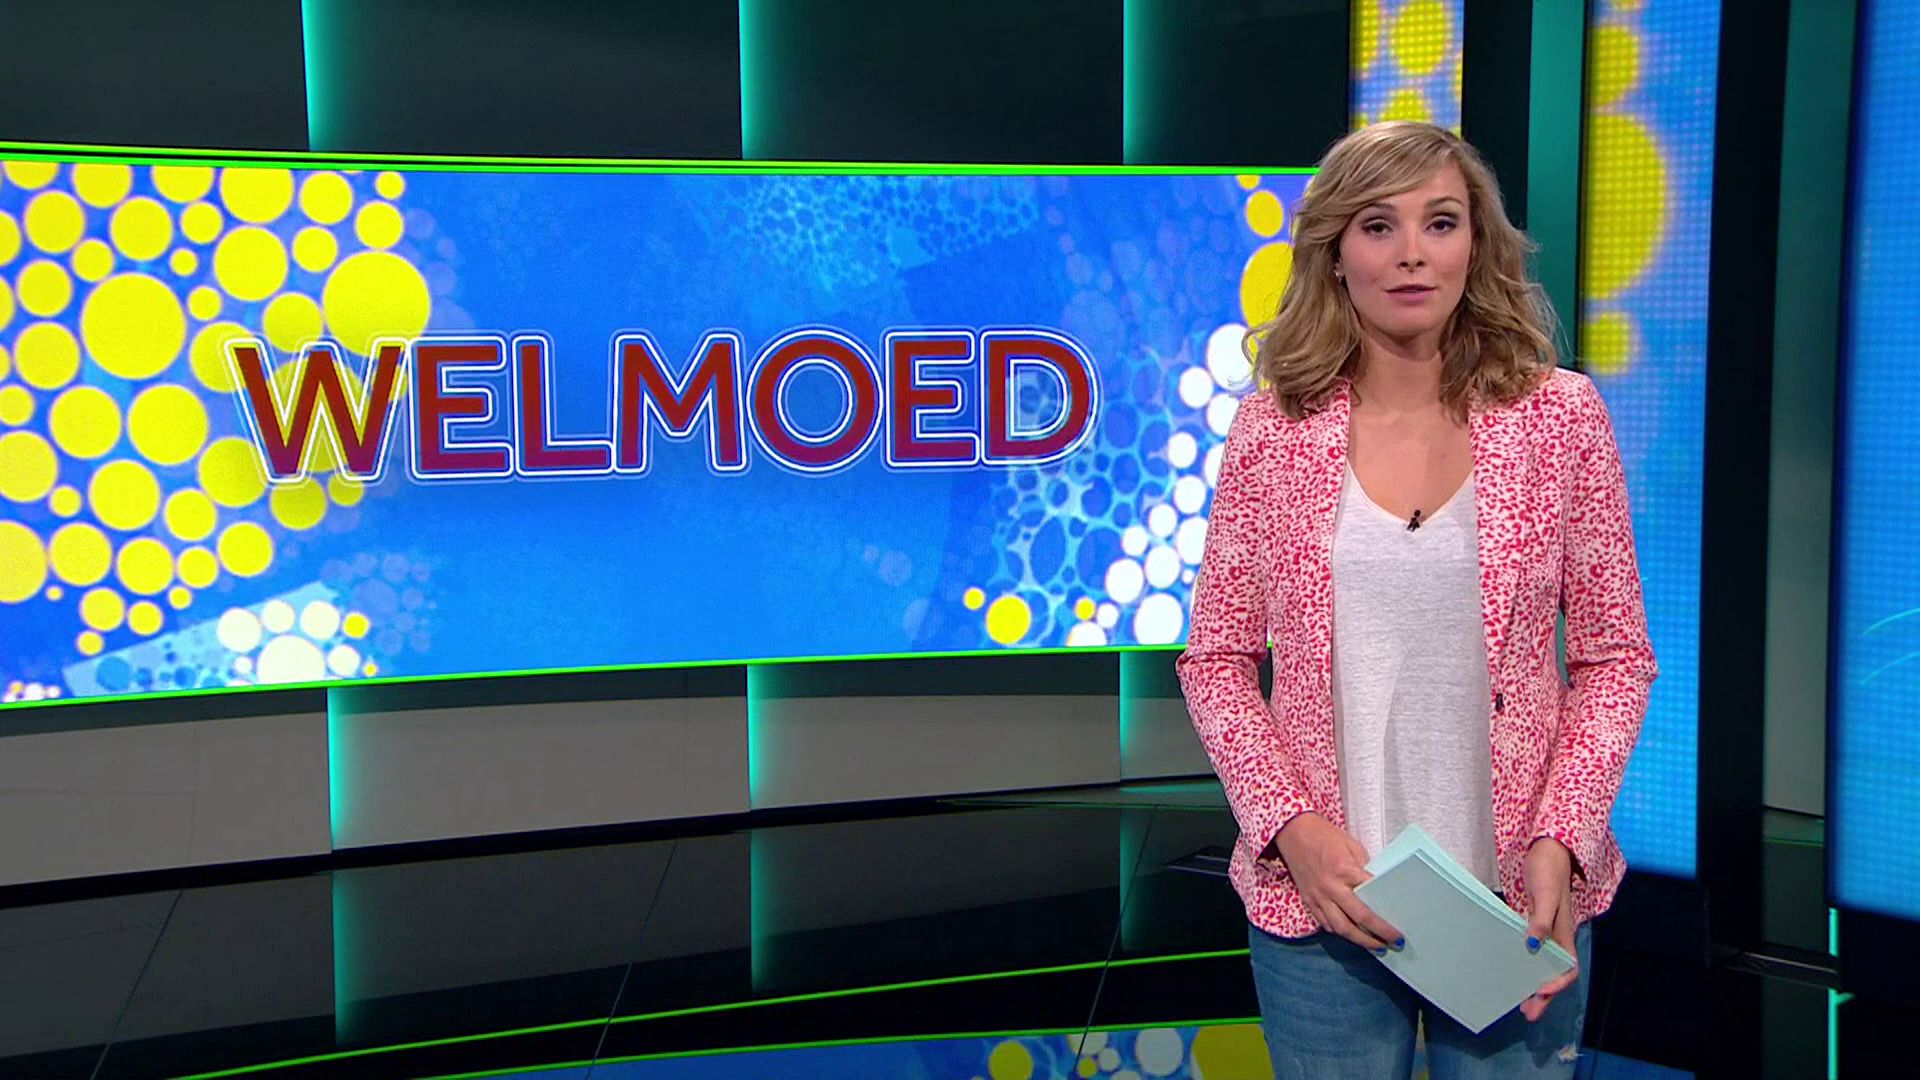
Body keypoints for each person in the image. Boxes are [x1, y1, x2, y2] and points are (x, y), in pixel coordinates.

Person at [1177, 121, 1657, 1079]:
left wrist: (1563, 838)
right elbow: (1217, 658)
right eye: (1377, 225)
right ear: (1334, 253)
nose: (1411, 253)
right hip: (1325, 897)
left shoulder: (1561, 417)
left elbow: (1615, 659)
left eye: (1439, 222)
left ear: (1475, 243)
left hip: (1515, 900)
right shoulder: (1274, 428)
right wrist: (1290, 829)